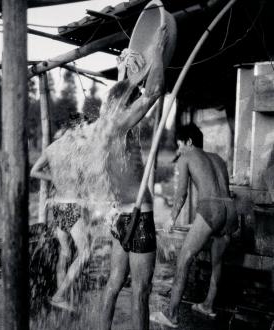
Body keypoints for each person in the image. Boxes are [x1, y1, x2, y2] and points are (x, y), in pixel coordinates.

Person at [99, 23, 176, 330]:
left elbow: (124, 93)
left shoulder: (106, 125)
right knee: (141, 293)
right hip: (138, 218)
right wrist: (156, 50)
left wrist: (123, 71)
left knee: (113, 286)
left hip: (118, 217)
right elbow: (155, 91)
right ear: (124, 105)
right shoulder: (122, 123)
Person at [150, 123, 238, 328]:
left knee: (183, 261)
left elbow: (181, 194)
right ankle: (208, 305)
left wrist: (171, 219)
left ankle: (171, 315)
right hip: (231, 211)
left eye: (179, 145)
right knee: (218, 262)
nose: (178, 150)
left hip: (211, 210)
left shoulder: (187, 156)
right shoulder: (218, 159)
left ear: (188, 142)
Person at [30, 114, 92, 312]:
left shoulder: (52, 148)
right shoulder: (78, 148)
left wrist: (54, 178)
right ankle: (59, 295)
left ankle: (60, 297)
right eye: (83, 126)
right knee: (85, 252)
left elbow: (34, 171)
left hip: (56, 207)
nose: (85, 130)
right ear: (76, 127)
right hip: (72, 206)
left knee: (65, 253)